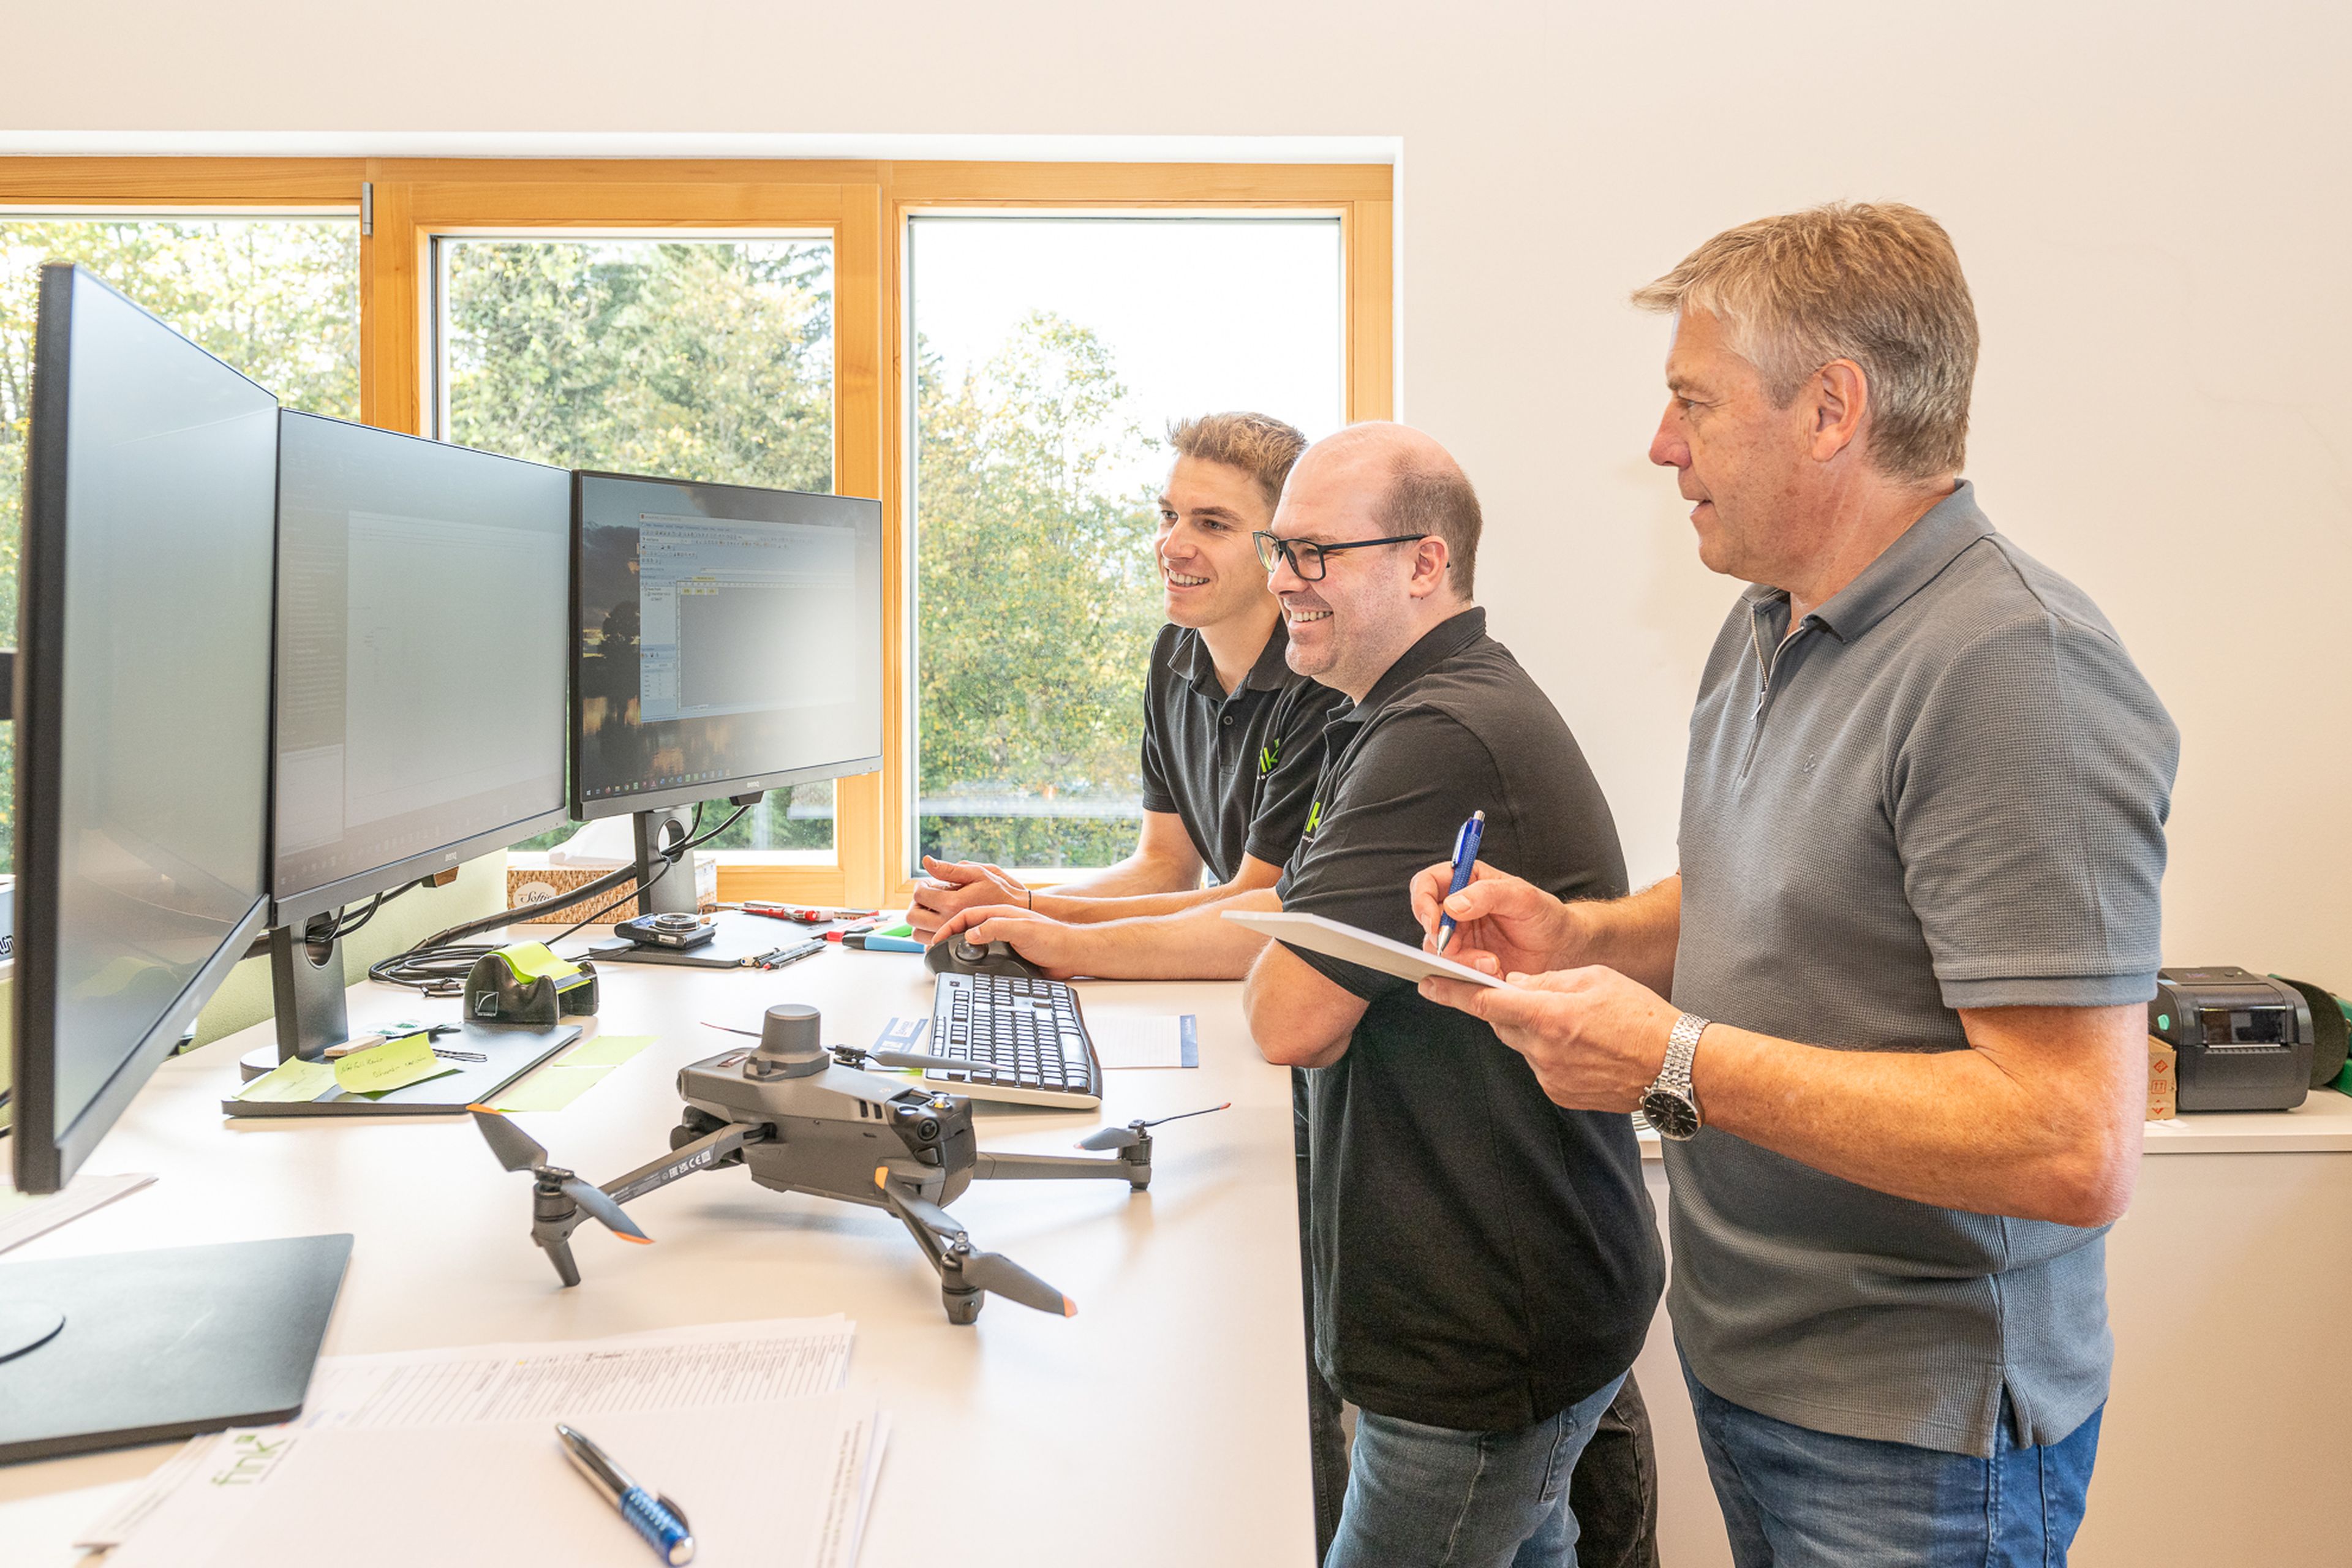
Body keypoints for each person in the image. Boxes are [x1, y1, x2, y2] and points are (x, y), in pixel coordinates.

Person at [1415, 202, 2179, 1567]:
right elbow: (1759, 898)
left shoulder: (2013, 666)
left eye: (1692, 404)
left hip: (1916, 1438)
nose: (1662, 446)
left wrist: (1675, 1059)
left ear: (1833, 409)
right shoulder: (1769, 617)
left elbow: (2072, 1140)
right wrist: (1581, 931)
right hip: (1759, 1368)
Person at [939, 423, 1665, 1567]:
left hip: (1480, 1321)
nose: (1284, 580)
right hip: (1508, 1287)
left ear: (1425, 563)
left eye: (1314, 553)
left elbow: (1287, 1014)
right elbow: (1269, 926)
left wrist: (1283, 937)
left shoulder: (1434, 734)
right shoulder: (1399, 710)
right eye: (1279, 550)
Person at [910, 412, 1341, 937]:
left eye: (1213, 523)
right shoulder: (1173, 654)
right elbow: (1165, 866)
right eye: (1168, 515)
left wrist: (1025, 908)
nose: (1172, 545)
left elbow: (1257, 903)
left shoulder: (1322, 680)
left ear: (1278, 547)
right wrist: (1010, 905)